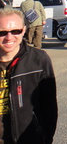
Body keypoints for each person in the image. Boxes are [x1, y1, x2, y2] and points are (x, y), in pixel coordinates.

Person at [0, 8, 57, 143]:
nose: (9, 37)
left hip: (28, 138)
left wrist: (46, 137)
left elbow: (49, 106)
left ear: (24, 30)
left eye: (15, 31)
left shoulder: (39, 60)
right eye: (2, 32)